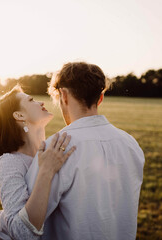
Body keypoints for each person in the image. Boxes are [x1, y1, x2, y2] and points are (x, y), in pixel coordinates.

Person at [25, 62, 145, 240]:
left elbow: (27, 224)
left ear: (63, 96)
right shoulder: (131, 144)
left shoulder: (55, 148)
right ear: (101, 98)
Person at [0, 85, 76, 239]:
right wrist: (46, 170)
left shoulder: (55, 151)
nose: (41, 102)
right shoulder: (10, 162)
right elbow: (21, 232)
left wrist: (0, 222)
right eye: (31, 100)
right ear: (19, 115)